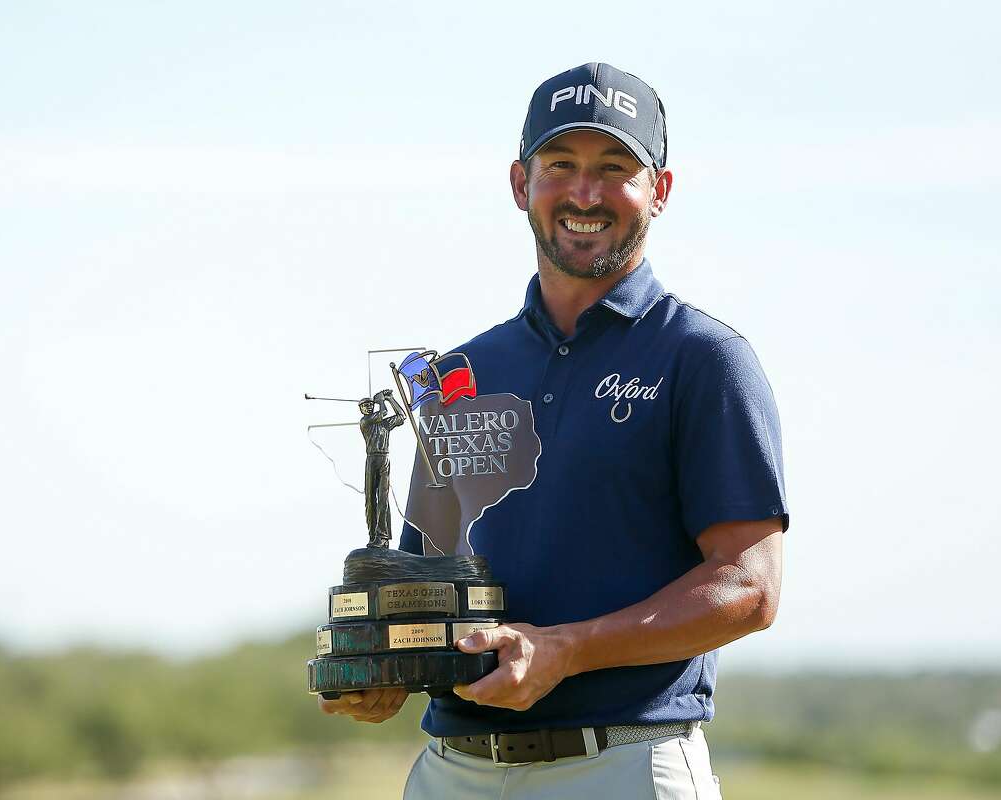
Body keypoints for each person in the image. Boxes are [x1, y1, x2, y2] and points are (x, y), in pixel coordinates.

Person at [319, 62, 788, 799]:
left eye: (615, 168)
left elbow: (749, 588)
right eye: (560, 165)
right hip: (453, 773)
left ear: (659, 191)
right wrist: (387, 673)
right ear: (519, 183)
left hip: (623, 766)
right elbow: (428, 581)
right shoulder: (460, 373)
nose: (585, 193)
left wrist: (565, 651)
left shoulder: (703, 359)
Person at [358, 389, 406, 548]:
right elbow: (383, 412)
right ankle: (373, 535)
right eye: (364, 406)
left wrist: (391, 398)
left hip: (384, 458)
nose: (367, 407)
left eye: (369, 404)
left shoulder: (384, 424)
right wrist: (380, 400)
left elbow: (401, 416)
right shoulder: (365, 422)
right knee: (371, 499)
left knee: (383, 499)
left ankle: (382, 536)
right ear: (361, 409)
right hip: (371, 459)